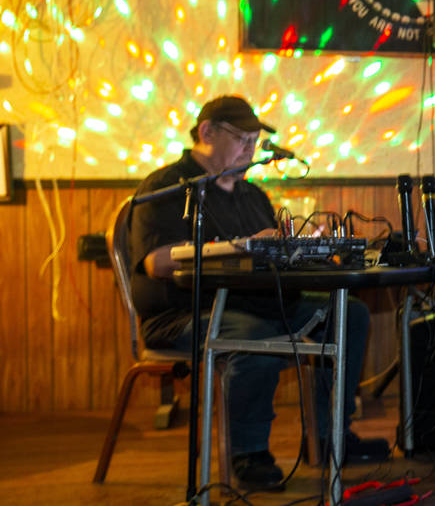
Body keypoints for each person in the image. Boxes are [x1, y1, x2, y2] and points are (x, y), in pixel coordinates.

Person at [128, 95, 388, 492]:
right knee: (253, 337)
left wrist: (306, 251)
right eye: (242, 139)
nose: (251, 149)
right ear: (207, 132)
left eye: (254, 141)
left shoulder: (253, 197)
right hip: (184, 314)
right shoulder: (167, 187)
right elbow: (158, 263)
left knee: (349, 313)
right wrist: (242, 245)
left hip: (254, 305)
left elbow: (271, 258)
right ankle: (249, 453)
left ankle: (329, 436)